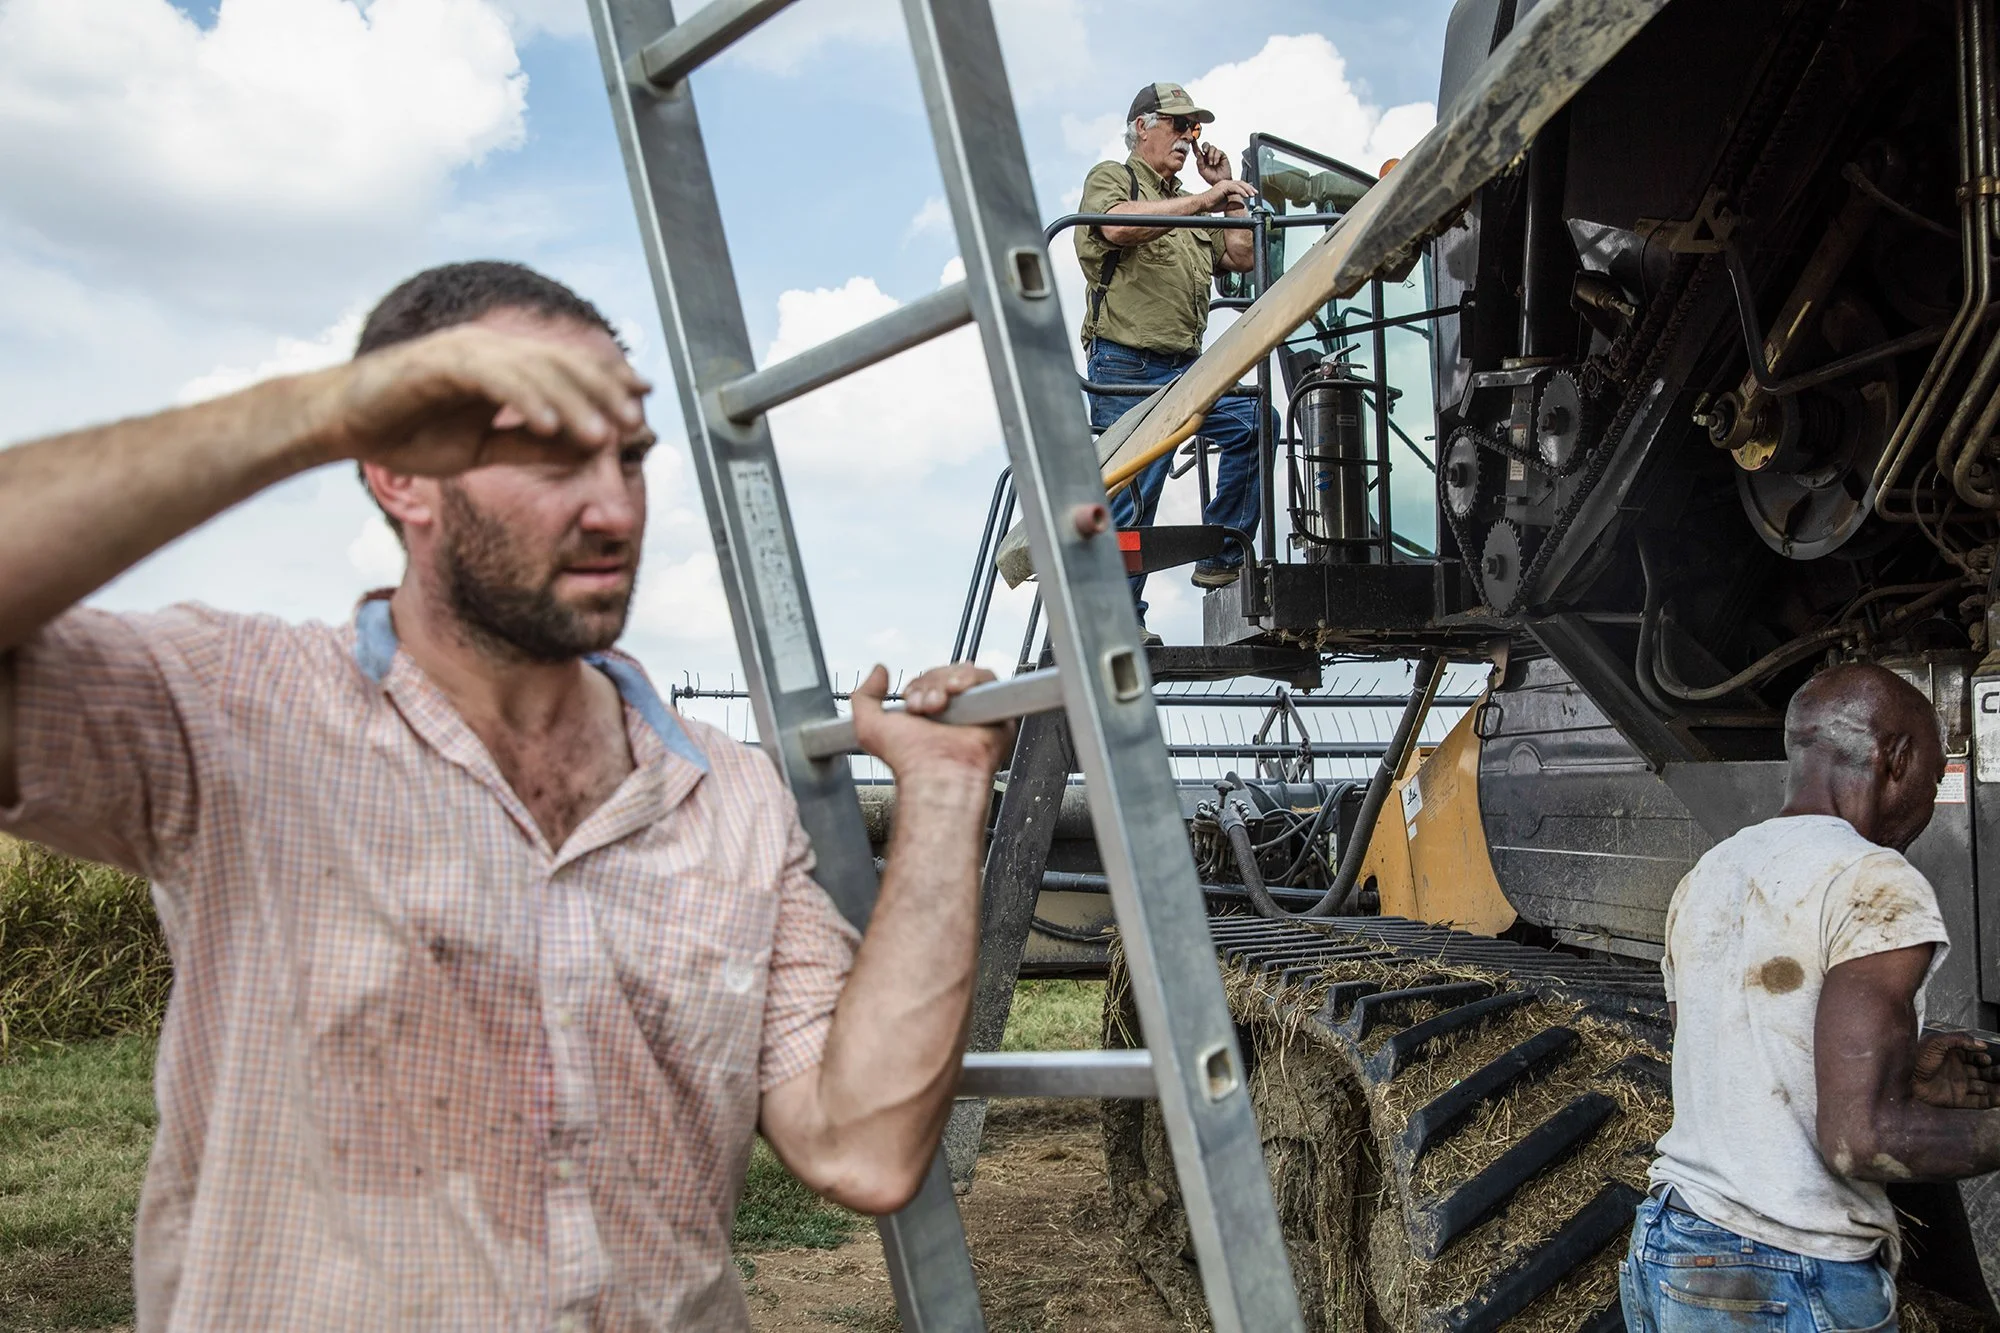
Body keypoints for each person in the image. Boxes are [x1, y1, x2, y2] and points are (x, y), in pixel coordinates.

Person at [0, 261, 1010, 1330]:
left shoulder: (730, 795)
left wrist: (944, 794)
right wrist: (320, 415)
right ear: (401, 475)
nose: (614, 508)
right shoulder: (228, 706)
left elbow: (860, 1143)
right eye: (549, 457)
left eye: (628, 460)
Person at [1624, 662, 2000, 1331]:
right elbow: (1860, 1141)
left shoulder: (1712, 872)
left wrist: (1904, 1068)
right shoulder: (1874, 878)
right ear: (1896, 758)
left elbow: (1729, 1064)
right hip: (1783, 1271)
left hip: (1670, 1249)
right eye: (1936, 772)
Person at [1075, 82, 1262, 641]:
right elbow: (1116, 226)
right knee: (1134, 496)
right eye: (1178, 125)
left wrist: (1226, 196)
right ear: (1141, 127)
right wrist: (1202, 201)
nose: (1187, 137)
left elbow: (1242, 257)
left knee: (1254, 422)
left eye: (1194, 129)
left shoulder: (1191, 201)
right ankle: (1120, 627)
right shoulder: (1115, 177)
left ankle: (1221, 552)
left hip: (1188, 369)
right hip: (1126, 368)